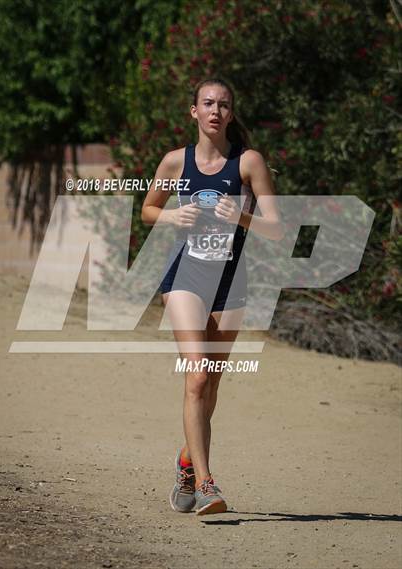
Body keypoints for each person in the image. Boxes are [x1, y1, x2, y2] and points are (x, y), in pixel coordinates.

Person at [141, 77, 283, 515]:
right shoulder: (173, 162)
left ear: (230, 114)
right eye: (208, 103)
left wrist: (242, 215)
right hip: (185, 277)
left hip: (230, 283)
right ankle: (205, 484)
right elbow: (148, 210)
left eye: (223, 105)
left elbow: (278, 230)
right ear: (194, 112)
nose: (216, 111)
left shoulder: (248, 163)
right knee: (197, 376)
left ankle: (187, 460)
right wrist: (171, 216)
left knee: (213, 383)